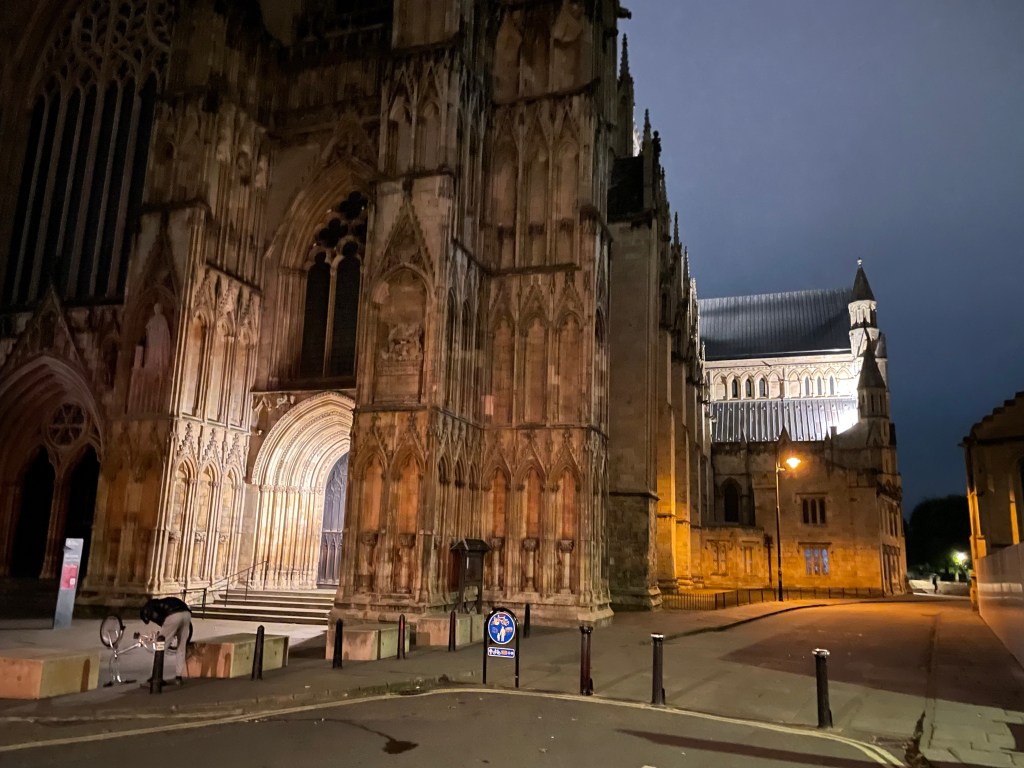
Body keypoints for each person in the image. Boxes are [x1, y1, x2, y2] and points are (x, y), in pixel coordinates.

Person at [140, 596, 191, 685]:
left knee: (160, 647)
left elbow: (162, 621)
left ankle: (156, 677)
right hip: (186, 613)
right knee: (181, 647)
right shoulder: (159, 602)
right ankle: (178, 677)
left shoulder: (148, 609)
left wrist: (170, 632)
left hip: (173, 615)